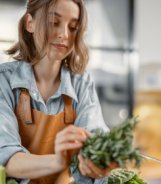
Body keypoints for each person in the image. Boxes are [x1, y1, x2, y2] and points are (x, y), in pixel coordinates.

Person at [0, 0, 117, 183]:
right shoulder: (3, 81)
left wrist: (101, 159)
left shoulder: (82, 83)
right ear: (29, 23)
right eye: (54, 22)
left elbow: (96, 139)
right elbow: (6, 158)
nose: (64, 34)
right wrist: (58, 160)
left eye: (73, 27)